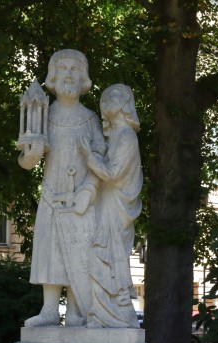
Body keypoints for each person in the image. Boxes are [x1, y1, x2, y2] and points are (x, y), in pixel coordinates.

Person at [18, 49, 105, 326]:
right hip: (52, 197)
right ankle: (50, 309)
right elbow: (27, 161)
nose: (68, 74)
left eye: (74, 69)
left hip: (80, 203)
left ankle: (78, 311)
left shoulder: (91, 120)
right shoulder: (42, 115)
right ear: (53, 77)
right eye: (63, 68)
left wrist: (89, 190)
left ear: (83, 78)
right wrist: (30, 155)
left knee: (79, 255)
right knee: (50, 253)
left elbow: (100, 162)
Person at [82, 84, 143, 328]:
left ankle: (119, 314)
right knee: (99, 256)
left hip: (117, 206)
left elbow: (112, 172)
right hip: (106, 202)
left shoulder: (127, 136)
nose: (107, 100)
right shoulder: (115, 137)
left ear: (126, 104)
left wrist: (89, 158)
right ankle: (100, 313)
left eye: (115, 96)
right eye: (104, 97)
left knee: (109, 255)